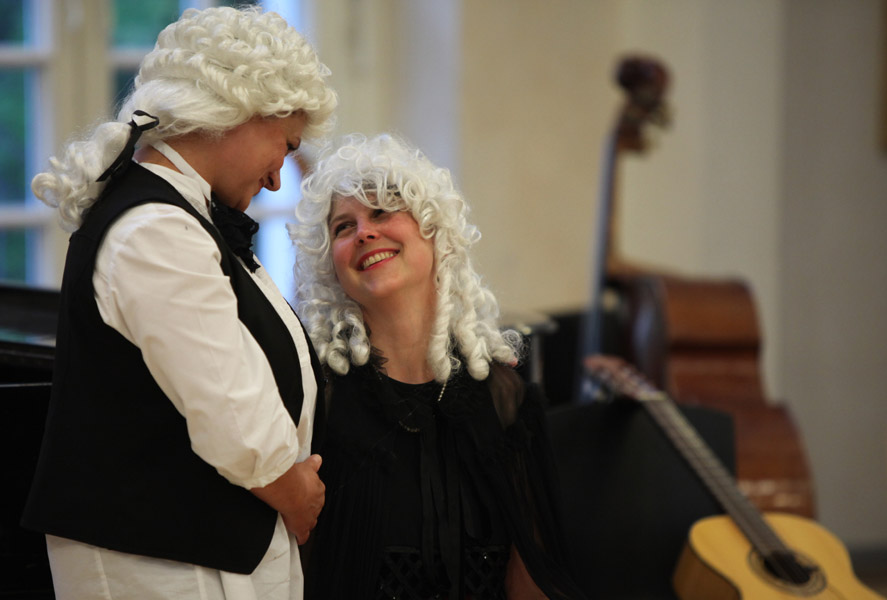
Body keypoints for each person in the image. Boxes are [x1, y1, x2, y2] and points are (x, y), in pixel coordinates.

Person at [22, 6, 337, 599]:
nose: (277, 178)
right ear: (240, 111)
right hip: (162, 563)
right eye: (285, 145)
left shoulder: (179, 216)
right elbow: (231, 407)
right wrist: (295, 491)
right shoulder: (157, 229)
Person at [289, 133, 587, 599]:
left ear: (435, 230)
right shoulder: (316, 396)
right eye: (343, 227)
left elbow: (531, 580)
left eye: (382, 212)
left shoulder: (505, 399)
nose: (364, 232)